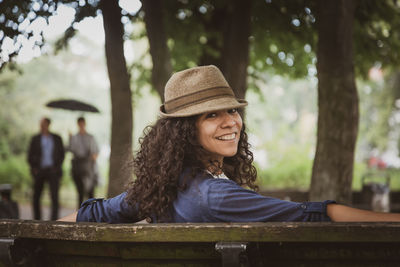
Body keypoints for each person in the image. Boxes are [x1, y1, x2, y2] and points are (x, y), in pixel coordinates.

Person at [59, 65, 400, 223]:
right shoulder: (216, 196)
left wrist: (43, 234)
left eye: (232, 110)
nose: (232, 122)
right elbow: (311, 215)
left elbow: (96, 213)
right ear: (184, 131)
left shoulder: (160, 187)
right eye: (211, 115)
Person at [28, 117, 65, 220]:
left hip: (53, 170)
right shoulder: (35, 139)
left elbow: (62, 154)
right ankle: (36, 219)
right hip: (39, 170)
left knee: (54, 197)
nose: (42, 125)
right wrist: (34, 168)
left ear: (48, 124)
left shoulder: (57, 138)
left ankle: (54, 220)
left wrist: (56, 167)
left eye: (44, 123)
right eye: (41, 123)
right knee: (36, 197)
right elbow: (30, 155)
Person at [67, 117, 99, 209]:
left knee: (90, 193)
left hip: (89, 168)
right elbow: (70, 149)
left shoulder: (91, 137)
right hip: (77, 168)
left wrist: (90, 159)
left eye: (82, 123)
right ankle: (80, 214)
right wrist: (70, 139)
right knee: (80, 192)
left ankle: (93, 213)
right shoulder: (74, 138)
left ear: (85, 124)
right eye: (79, 123)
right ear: (78, 124)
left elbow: (95, 153)